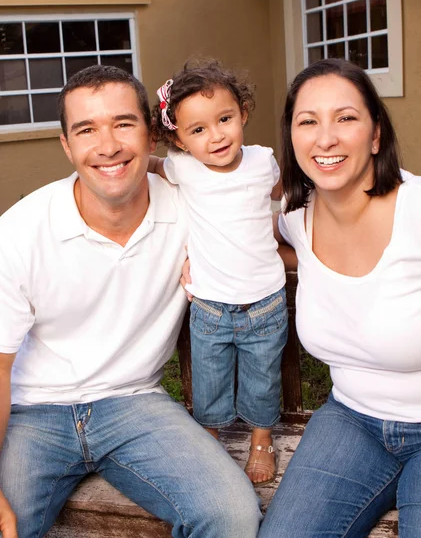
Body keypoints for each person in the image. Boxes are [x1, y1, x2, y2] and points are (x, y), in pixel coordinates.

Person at [0, 65, 262, 538]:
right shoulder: (20, 232)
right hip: (32, 413)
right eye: (86, 129)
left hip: (134, 402)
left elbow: (274, 235)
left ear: (153, 134)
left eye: (123, 123)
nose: (108, 146)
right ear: (66, 145)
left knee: (232, 515)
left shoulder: (191, 208)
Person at [258, 58, 421, 538]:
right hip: (352, 419)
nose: (324, 138)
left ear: (375, 136)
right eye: (307, 121)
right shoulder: (297, 219)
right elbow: (244, 244)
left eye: (345, 118)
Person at [148, 59, 289, 487]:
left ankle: (261, 439)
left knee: (263, 378)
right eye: (198, 130)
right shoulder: (182, 168)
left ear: (242, 113)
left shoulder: (264, 161)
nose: (217, 135)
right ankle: (209, 433)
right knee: (209, 381)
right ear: (181, 140)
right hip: (209, 305)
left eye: (225, 119)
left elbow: (282, 196)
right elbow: (148, 166)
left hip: (265, 300)